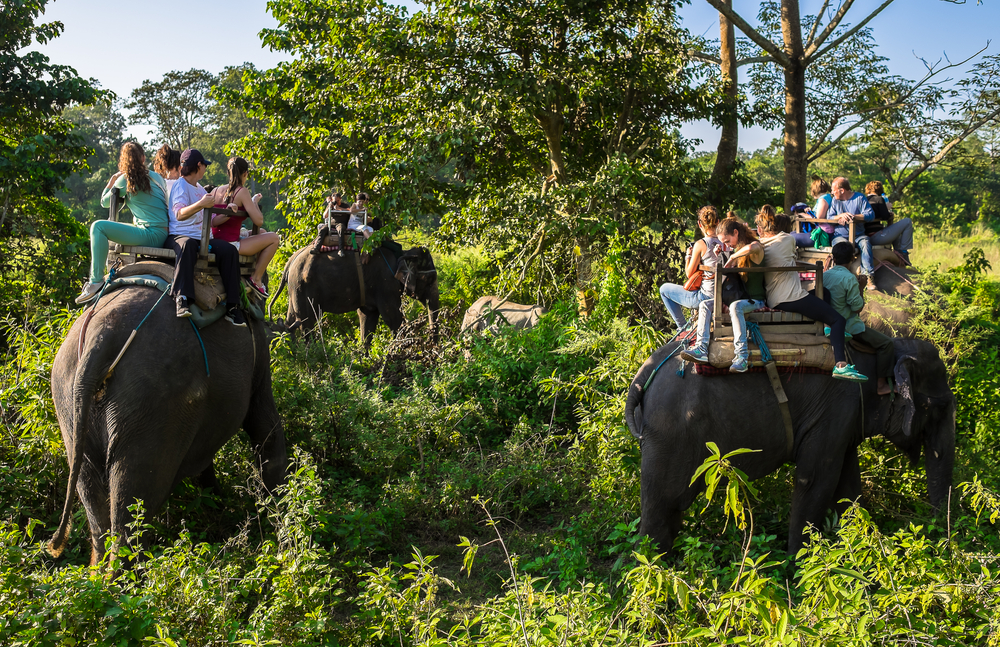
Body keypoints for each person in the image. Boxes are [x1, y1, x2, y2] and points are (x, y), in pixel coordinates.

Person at [756, 208, 867, 381]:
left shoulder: (761, 246)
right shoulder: (786, 239)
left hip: (776, 297)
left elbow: (788, 262)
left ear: (761, 229)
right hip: (790, 297)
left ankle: (828, 328)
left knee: (825, 293)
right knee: (839, 320)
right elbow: (807, 239)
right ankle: (840, 365)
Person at [78, 143, 170, 303]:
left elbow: (104, 202)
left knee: (98, 227)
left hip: (150, 234)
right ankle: (96, 281)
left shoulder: (125, 179)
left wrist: (112, 180)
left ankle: (95, 281)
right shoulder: (157, 177)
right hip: (164, 233)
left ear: (124, 161)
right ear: (143, 158)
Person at [166, 148, 245, 326]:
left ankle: (233, 306)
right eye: (205, 165)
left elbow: (212, 221)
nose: (205, 169)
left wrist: (227, 213)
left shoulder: (200, 189)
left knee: (230, 250)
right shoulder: (181, 185)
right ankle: (182, 298)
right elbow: (179, 214)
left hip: (203, 237)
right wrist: (201, 203)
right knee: (187, 246)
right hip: (181, 234)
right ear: (199, 165)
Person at [681, 216, 765, 373]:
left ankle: (742, 356)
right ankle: (702, 349)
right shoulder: (736, 250)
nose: (726, 245)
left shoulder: (754, 248)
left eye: (727, 241)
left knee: (735, 307)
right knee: (705, 304)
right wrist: (723, 253)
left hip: (755, 300)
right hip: (738, 296)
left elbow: (754, 248)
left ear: (736, 232)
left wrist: (732, 255)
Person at [826, 242, 896, 395]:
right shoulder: (850, 278)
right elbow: (857, 308)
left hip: (827, 324)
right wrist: (861, 287)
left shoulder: (825, 275)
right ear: (853, 258)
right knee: (887, 344)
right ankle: (881, 385)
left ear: (833, 258)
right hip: (848, 326)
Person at [208, 157, 280, 297]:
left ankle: (255, 273)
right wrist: (253, 202)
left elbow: (213, 221)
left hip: (216, 240)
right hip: (231, 244)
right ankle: (256, 278)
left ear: (228, 172)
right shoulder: (241, 191)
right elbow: (258, 220)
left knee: (263, 233)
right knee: (274, 238)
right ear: (245, 173)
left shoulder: (216, 190)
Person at [659, 205, 721, 338]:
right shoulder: (726, 242)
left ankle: (683, 328)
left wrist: (688, 256)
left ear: (700, 224)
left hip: (706, 297)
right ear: (718, 222)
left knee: (664, 289)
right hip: (725, 295)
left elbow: (689, 273)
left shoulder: (701, 244)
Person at [828, 177, 877, 286]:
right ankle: (837, 275)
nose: (832, 192)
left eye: (833, 190)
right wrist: (840, 216)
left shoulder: (859, 198)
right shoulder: (835, 201)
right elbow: (829, 217)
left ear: (842, 190)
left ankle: (868, 276)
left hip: (858, 235)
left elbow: (870, 215)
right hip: (840, 235)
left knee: (865, 242)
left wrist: (853, 217)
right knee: (838, 246)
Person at [865, 180, 913, 265]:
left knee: (895, 232)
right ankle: (904, 252)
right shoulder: (879, 199)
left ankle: (899, 251)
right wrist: (887, 208)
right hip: (877, 236)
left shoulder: (863, 200)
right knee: (907, 222)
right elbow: (885, 217)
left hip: (866, 237)